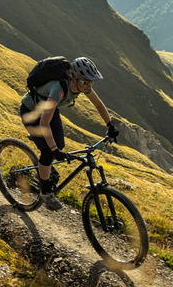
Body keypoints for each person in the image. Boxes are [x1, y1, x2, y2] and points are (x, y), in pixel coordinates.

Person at [20, 56, 121, 210]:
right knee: (48, 151)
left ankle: (45, 163)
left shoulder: (83, 86)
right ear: (74, 78)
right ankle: (45, 192)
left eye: (91, 82)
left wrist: (110, 125)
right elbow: (43, 123)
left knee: (59, 145)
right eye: (85, 82)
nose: (88, 86)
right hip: (31, 111)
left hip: (48, 110)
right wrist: (53, 149)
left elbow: (98, 105)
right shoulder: (59, 89)